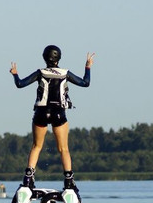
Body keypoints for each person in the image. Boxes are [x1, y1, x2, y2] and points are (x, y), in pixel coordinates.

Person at [10, 46, 95, 192]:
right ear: (59, 58)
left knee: (36, 146)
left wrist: (15, 74)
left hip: (41, 112)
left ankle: (28, 179)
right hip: (58, 113)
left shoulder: (40, 73)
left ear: (44, 57)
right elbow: (85, 83)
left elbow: (20, 84)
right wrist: (87, 67)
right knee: (63, 149)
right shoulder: (65, 73)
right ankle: (68, 181)